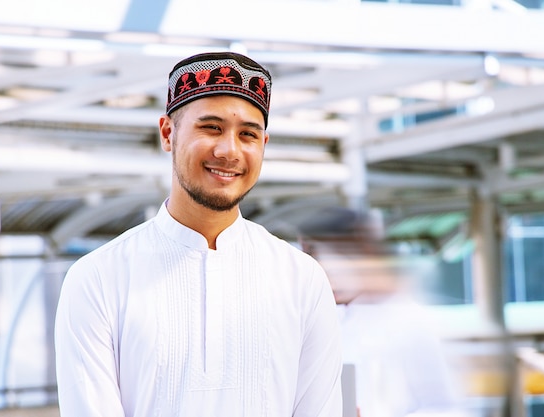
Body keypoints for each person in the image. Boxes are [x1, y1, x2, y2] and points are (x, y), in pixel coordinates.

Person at [54, 51, 343, 417]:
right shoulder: (98, 279)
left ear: (263, 146)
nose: (229, 151)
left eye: (248, 134)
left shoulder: (302, 279)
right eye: (211, 127)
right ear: (168, 133)